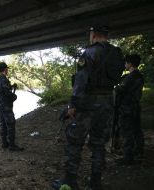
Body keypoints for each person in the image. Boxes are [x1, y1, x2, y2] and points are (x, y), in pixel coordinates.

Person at [52, 26, 125, 190]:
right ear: (107, 35)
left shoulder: (89, 53)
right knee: (99, 143)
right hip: (107, 102)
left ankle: (69, 182)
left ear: (94, 35)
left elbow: (80, 81)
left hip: (88, 102)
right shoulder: (117, 54)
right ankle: (95, 183)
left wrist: (72, 105)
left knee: (74, 142)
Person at [115, 54, 144, 165]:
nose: (125, 64)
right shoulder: (139, 75)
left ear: (130, 63)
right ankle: (139, 152)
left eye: (126, 62)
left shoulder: (130, 77)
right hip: (135, 107)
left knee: (127, 132)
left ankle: (128, 158)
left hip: (127, 108)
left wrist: (116, 87)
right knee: (137, 131)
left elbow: (120, 90)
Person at [0, 62, 24, 151]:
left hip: (0, 105)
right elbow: (6, 92)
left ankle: (4, 143)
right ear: (5, 69)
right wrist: (14, 97)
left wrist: (11, 86)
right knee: (11, 124)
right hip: (6, 106)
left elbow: (3, 90)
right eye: (7, 69)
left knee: (3, 124)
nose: (7, 70)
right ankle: (12, 145)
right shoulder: (3, 79)